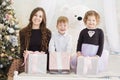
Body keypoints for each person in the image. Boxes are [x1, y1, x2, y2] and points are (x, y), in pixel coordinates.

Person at [7, 7, 51, 80]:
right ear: (31, 16)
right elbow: (22, 51)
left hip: (41, 62)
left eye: (40, 16)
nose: (37, 18)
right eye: (35, 15)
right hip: (27, 61)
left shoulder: (47, 32)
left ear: (43, 19)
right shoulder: (23, 32)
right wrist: (24, 53)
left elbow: (48, 51)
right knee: (16, 62)